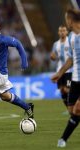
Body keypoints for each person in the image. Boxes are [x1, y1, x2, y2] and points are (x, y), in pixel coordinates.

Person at [51, 9, 80, 147]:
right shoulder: (72, 37)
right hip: (75, 78)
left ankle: (63, 140)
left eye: (66, 19)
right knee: (71, 110)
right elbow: (71, 59)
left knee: (77, 110)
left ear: (70, 20)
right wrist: (60, 73)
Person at [50, 25, 72, 107]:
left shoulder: (70, 41)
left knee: (67, 89)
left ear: (67, 32)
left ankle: (73, 106)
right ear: (58, 32)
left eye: (64, 30)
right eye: (60, 31)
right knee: (62, 90)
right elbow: (53, 56)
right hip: (59, 70)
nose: (62, 32)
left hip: (70, 70)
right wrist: (52, 57)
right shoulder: (55, 44)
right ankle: (69, 108)